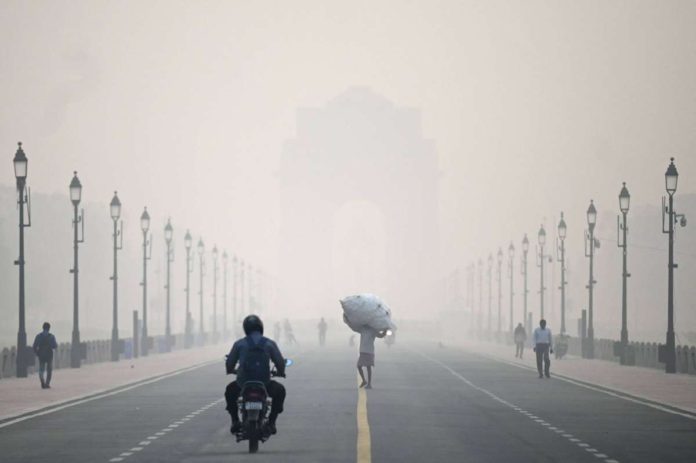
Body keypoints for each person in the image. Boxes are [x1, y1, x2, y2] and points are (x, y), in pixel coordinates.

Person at [225, 315, 286, 435]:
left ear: (245, 328)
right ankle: (272, 422)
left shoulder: (239, 344)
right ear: (260, 327)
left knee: (230, 391)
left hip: (243, 384)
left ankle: (235, 420)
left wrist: (232, 370)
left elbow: (229, 364)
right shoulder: (269, 343)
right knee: (280, 391)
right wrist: (280, 372)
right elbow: (280, 363)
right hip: (264, 383)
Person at [32, 322, 58, 389]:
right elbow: (55, 346)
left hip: (41, 355)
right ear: (49, 328)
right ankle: (47, 384)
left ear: (43, 327)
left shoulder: (38, 336)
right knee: (49, 370)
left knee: (41, 370)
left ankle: (42, 381)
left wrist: (37, 353)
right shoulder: (51, 336)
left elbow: (34, 346)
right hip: (49, 355)